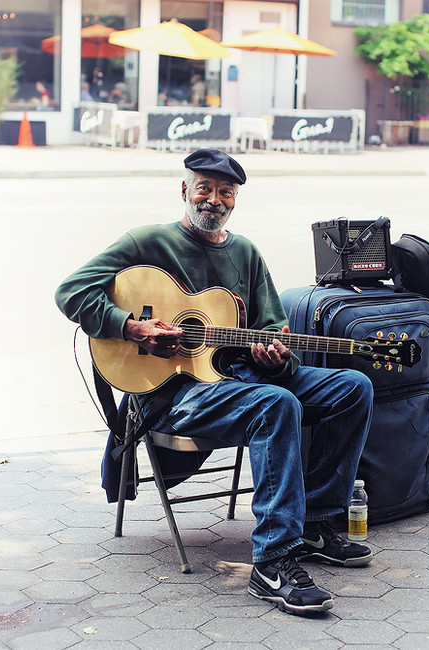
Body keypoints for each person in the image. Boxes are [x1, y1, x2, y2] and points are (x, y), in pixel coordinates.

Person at [54, 148, 374, 616]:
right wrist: (131, 326)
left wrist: (275, 358)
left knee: (353, 387)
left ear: (235, 200)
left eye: (226, 192)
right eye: (204, 188)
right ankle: (272, 563)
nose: (214, 200)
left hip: (242, 379)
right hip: (177, 392)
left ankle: (317, 524)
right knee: (276, 404)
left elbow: (271, 335)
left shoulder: (244, 253)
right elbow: (71, 291)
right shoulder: (147, 241)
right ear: (184, 190)